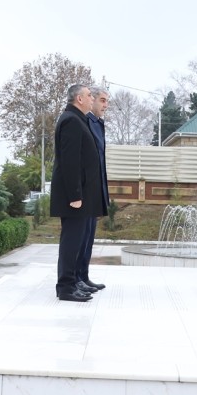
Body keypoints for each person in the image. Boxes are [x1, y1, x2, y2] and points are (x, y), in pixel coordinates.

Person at [51, 82, 106, 302]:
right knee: (71, 242)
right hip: (74, 198)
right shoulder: (71, 121)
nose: (92, 99)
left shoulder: (77, 119)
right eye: (89, 96)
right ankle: (65, 287)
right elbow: (70, 162)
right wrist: (75, 196)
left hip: (83, 197)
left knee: (78, 241)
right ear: (79, 99)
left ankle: (73, 282)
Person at [76, 86, 111, 294]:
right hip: (85, 191)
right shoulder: (85, 123)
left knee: (88, 238)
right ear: (92, 101)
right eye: (102, 100)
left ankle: (83, 275)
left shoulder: (98, 124)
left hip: (95, 191)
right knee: (80, 238)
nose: (105, 105)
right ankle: (76, 278)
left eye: (107, 102)